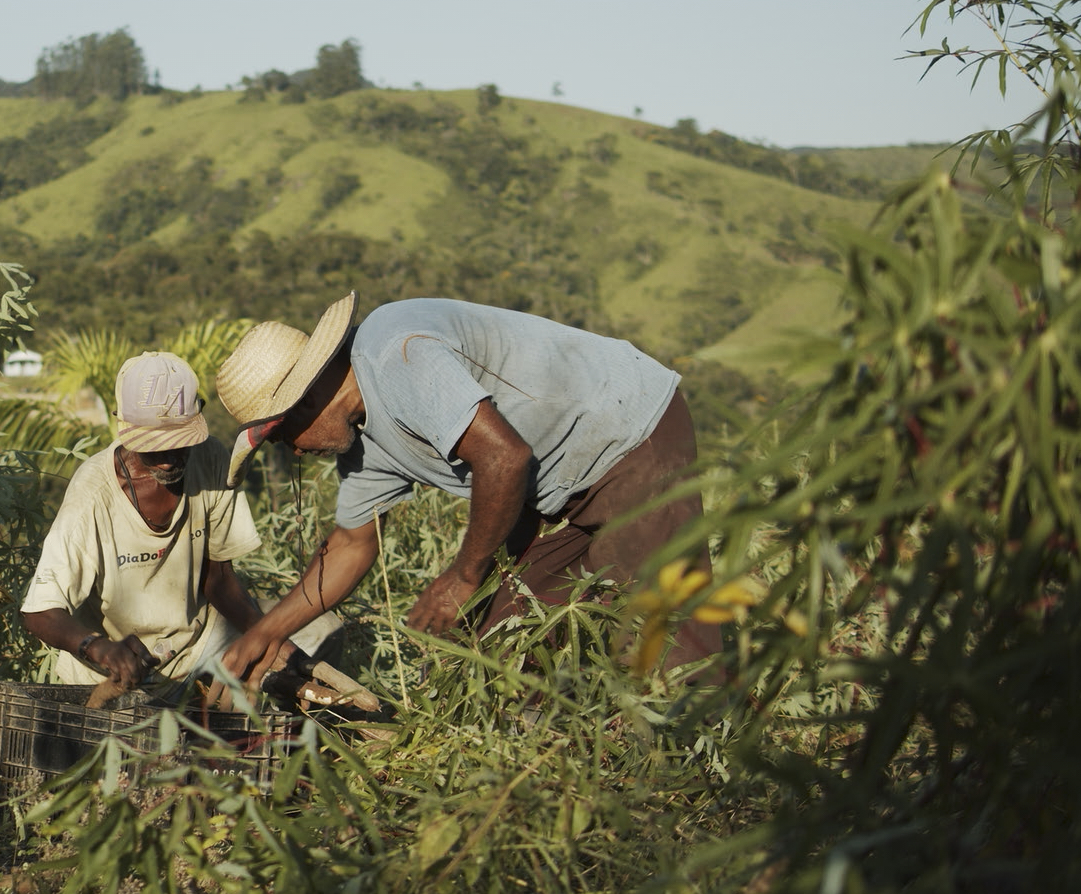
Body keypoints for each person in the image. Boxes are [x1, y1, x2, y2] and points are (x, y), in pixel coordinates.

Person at [214, 292, 722, 686]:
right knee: (497, 649)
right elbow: (350, 545)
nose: (293, 454)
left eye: (281, 437)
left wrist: (463, 576)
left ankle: (714, 771)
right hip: (551, 489)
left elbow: (504, 456)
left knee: (665, 639)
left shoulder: (394, 354)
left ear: (305, 401)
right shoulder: (362, 445)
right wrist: (264, 633)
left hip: (627, 433)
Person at [20, 352, 268, 690]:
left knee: (315, 633)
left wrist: (270, 640)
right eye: (153, 447)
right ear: (124, 429)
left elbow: (219, 580)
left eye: (180, 444)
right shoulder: (94, 492)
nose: (168, 461)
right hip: (112, 675)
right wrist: (98, 648)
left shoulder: (210, 459)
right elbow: (39, 612)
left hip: (195, 653)